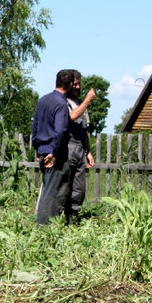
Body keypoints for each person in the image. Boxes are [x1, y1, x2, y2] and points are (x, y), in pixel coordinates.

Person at [32, 70, 75, 225]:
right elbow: (61, 130)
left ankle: (49, 225)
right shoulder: (61, 104)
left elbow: (36, 125)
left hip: (43, 150)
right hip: (54, 153)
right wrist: (55, 152)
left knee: (48, 189)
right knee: (53, 192)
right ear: (70, 85)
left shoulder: (43, 100)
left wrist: (37, 148)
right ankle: (44, 227)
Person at [64, 71, 98, 221]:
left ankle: (73, 219)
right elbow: (72, 117)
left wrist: (88, 151)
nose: (78, 87)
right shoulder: (63, 102)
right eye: (75, 84)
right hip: (66, 149)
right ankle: (60, 221)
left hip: (80, 150)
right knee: (64, 188)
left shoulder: (80, 104)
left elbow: (85, 130)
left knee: (79, 190)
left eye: (79, 84)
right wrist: (88, 101)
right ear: (69, 84)